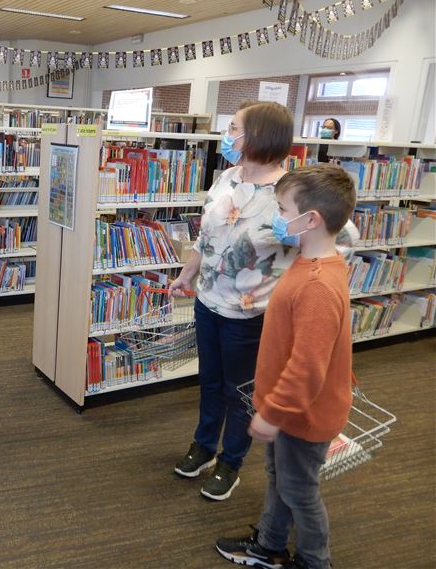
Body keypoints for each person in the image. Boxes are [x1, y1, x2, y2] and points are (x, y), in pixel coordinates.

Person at [215, 164, 356, 569]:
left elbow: (309, 366)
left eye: (281, 208)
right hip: (290, 409)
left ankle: (315, 561)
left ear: (310, 219)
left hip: (301, 413)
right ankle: (269, 545)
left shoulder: (317, 285)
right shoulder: (313, 262)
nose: (276, 216)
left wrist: (273, 413)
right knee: (282, 481)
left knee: (300, 491)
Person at [168, 101, 297, 501]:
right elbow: (207, 237)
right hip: (208, 299)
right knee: (209, 380)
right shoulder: (226, 176)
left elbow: (339, 236)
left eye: (235, 127)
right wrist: (187, 273)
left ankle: (231, 462)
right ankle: (204, 445)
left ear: (258, 134)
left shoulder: (291, 190)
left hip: (249, 311)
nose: (228, 133)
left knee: (238, 390)